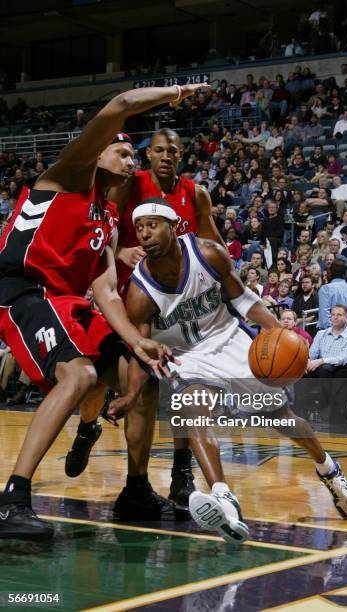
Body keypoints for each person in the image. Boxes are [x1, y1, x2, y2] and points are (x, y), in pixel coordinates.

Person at [0, 84, 210, 541]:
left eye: (133, 155)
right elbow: (118, 106)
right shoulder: (70, 174)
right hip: (23, 290)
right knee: (80, 375)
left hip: (68, 301)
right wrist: (179, 91)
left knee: (145, 373)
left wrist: (139, 342)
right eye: (121, 149)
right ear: (96, 155)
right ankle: (12, 498)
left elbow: (107, 292)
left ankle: (135, 489)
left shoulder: (110, 218)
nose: (130, 158)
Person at [118, 198, 347, 542]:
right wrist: (130, 395)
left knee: (282, 418)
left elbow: (245, 300)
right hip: (187, 356)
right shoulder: (140, 292)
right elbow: (141, 352)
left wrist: (279, 331)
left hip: (229, 339)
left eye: (152, 225)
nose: (144, 234)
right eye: (139, 228)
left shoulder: (208, 254)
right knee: (191, 409)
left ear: (173, 227)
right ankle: (222, 495)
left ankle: (329, 470)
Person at [65, 125, 224, 516]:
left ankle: (180, 476)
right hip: (124, 302)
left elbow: (215, 244)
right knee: (99, 386)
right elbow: (104, 227)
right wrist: (119, 254)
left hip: (174, 307)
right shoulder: (127, 183)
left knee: (184, 387)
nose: (166, 155)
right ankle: (87, 427)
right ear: (148, 154)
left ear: (181, 153)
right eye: (158, 149)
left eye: (173, 149)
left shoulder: (195, 194)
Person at [307, 305, 347, 423]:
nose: (335, 317)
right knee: (306, 373)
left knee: (332, 371)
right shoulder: (321, 334)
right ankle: (300, 412)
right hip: (322, 369)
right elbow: (313, 354)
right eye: (333, 315)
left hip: (342, 369)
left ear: (346, 318)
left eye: (339, 315)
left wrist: (322, 360)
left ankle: (328, 409)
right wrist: (309, 362)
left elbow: (343, 359)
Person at [318, 259, 347, 336]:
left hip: (333, 333)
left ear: (330, 272)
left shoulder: (326, 289)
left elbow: (324, 317)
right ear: (345, 273)